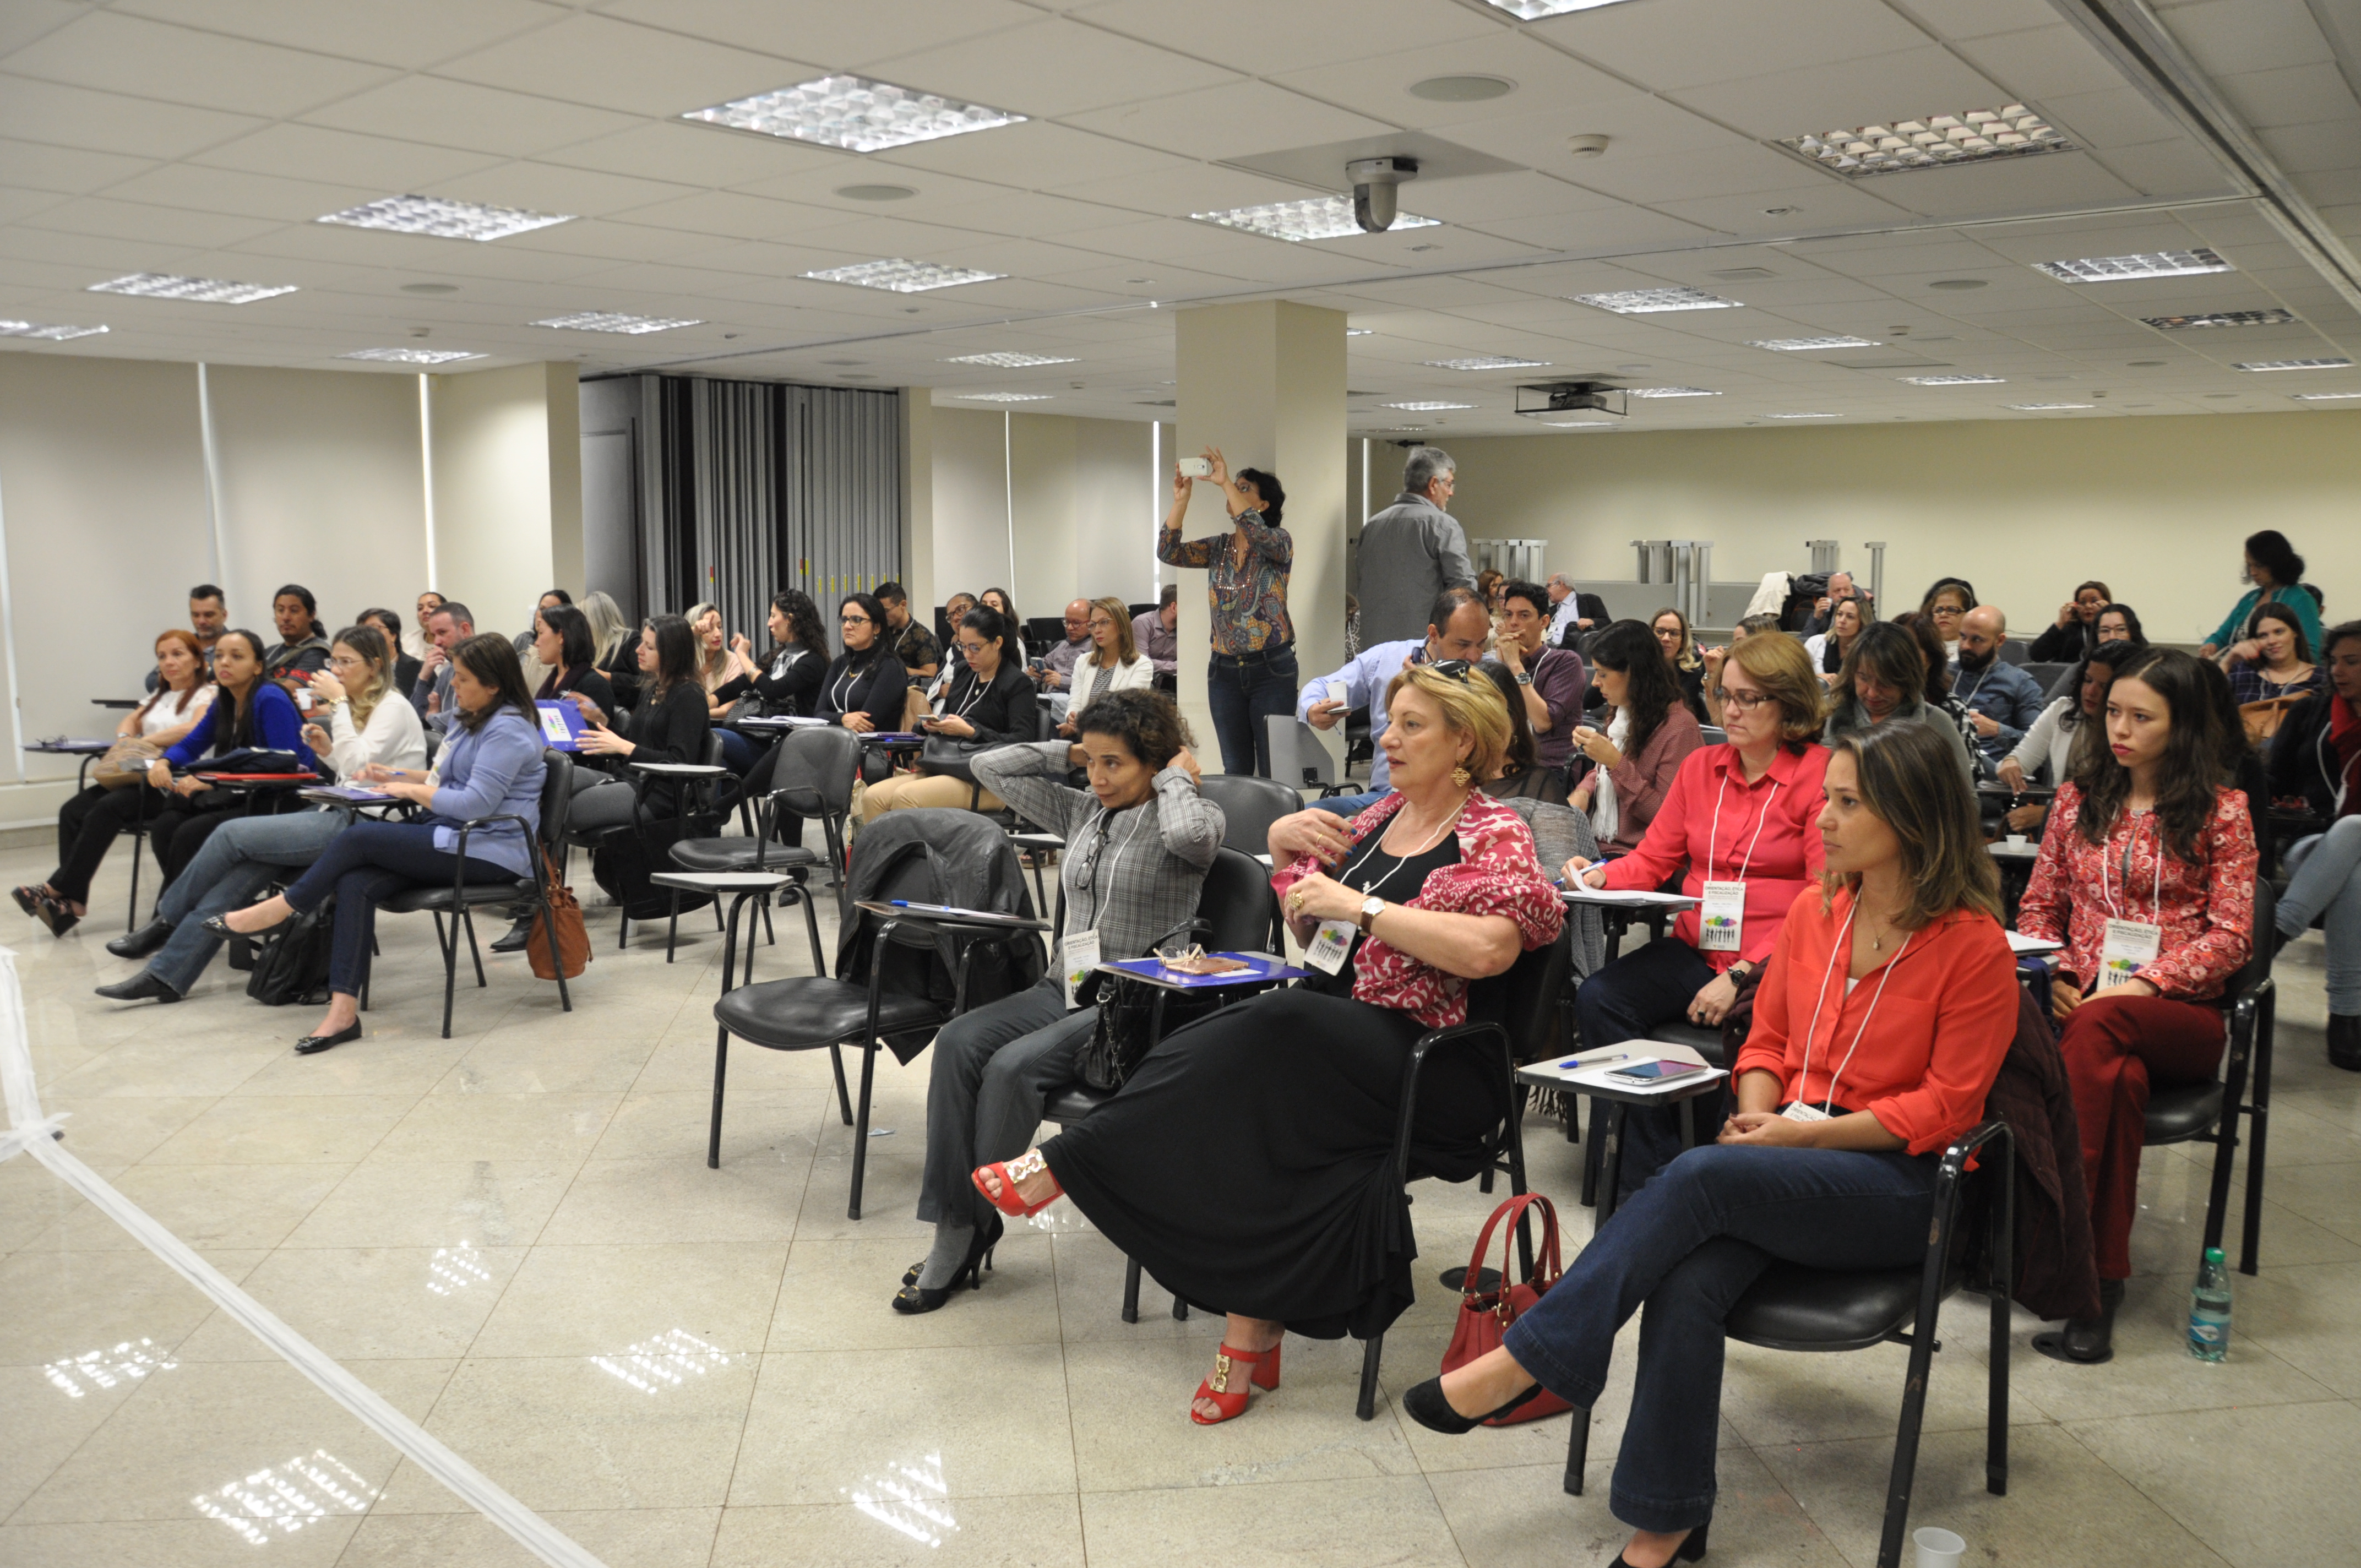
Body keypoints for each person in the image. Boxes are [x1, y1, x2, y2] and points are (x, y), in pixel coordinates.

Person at [1409, 718, 2015, 1568]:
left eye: (1848, 804)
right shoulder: (1816, 912)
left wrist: (1797, 1143)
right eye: (1828, 799)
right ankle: (1667, 1524)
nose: (1825, 819)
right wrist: (1762, 1118)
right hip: (1786, 1162)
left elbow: (1948, 1109)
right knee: (1688, 1278)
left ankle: (1531, 1359)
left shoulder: (1973, 945)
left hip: (1901, 1187)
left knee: (1696, 1178)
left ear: (1914, 817)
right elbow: (1765, 1044)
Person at [970, 663, 1563, 1420]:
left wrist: (1362, 906)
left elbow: (1489, 953)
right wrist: (1286, 855)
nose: (1388, 737)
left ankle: (1070, 1161)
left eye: (1412, 725)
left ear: (1465, 744)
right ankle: (1250, 1334)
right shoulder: (1378, 819)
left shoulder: (1494, 832)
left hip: (1436, 1062)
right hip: (1340, 1044)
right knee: (1252, 1104)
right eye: (1391, 721)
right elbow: (1318, 942)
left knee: (1278, 1023)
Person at [899, 689, 1221, 1312]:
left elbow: (1190, 835)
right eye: (1092, 763)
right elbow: (988, 766)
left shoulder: (1192, 818)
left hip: (1133, 1002)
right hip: (1065, 986)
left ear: (1153, 760)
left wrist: (1177, 777)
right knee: (959, 1040)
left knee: (1012, 1066)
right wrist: (1071, 751)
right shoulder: (1083, 811)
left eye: (1114, 764)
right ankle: (959, 1223)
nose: (1098, 778)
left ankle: (969, 1224)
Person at [2018, 647, 2255, 1363]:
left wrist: (2147, 983)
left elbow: (2234, 934)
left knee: (2104, 1021)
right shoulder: (2077, 800)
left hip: (2181, 1016)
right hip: (2085, 1015)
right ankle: (2097, 1285)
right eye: (2114, 712)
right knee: (2115, 1078)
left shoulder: (2223, 812)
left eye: (2141, 717)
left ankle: (2048, 1243)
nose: (2119, 729)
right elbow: (2038, 906)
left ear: (2181, 726)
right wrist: (2059, 972)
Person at [1563, 631, 1832, 1190]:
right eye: (1724, 694)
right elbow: (1653, 858)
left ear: (1789, 703)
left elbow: (1823, 897)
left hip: (1776, 960)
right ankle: (1657, 1177)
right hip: (1699, 946)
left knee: (1756, 1031)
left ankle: (1712, 1176)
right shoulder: (1702, 767)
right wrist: (1599, 874)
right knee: (1601, 997)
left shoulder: (1821, 775)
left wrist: (1741, 974)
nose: (1730, 710)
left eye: (1749, 698)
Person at [214, 634, 547, 1054]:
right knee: (356, 881)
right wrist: (400, 776)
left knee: (358, 837)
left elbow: (475, 804)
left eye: (462, 679)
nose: (453, 685)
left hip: (491, 852)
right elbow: (446, 779)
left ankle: (283, 907)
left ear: (494, 685)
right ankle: (342, 1014)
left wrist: (413, 792)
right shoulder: (474, 717)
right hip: (454, 837)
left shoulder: (509, 729)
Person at [97, 623, 427, 1003]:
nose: (336, 670)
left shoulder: (392, 707)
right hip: (342, 812)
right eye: (333, 661)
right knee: (241, 873)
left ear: (374, 666)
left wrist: (336, 707)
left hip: (370, 827)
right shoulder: (361, 705)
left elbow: (358, 766)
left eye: (346, 662)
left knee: (230, 834)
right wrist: (327, 750)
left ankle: (167, 920)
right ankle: (166, 975)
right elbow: (357, 770)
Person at [23, 630, 314, 938]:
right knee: (165, 825)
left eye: (237, 657)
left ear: (258, 667)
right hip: (243, 791)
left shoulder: (270, 698)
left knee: (189, 832)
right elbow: (192, 743)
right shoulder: (225, 700)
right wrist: (164, 762)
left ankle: (168, 923)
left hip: (281, 799)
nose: (225, 663)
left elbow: (283, 761)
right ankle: (175, 914)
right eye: (220, 656)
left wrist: (214, 778)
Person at [19, 630, 216, 935]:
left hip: (173, 782)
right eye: (162, 656)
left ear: (198, 660)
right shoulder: (158, 697)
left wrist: (145, 741)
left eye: (178, 654)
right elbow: (129, 722)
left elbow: (194, 728)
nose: (169, 662)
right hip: (138, 775)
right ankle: (73, 900)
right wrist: (126, 739)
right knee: (72, 810)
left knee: (107, 808)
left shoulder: (207, 694)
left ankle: (57, 888)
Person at [1157, 447, 1295, 777]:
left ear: (1264, 505)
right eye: (1235, 485)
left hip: (1271, 670)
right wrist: (1181, 501)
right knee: (1235, 769)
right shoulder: (1219, 547)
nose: (1233, 489)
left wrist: (1224, 483)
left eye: (1244, 488)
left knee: (1275, 768)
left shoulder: (1279, 542)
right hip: (1224, 671)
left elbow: (1257, 533)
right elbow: (1168, 551)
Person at [1301, 587, 1492, 816]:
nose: (1475, 656)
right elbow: (1321, 686)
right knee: (1305, 817)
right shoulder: (1386, 659)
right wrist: (1313, 709)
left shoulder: (1487, 677)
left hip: (1450, 795)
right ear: (1434, 634)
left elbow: (1486, 766)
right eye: (1463, 645)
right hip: (1384, 795)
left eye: (1481, 644)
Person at [2267, 620, 2361, 1069]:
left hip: (2340, 850)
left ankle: (2274, 933)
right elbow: (2273, 780)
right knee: (2353, 845)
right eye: (2334, 661)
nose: (2338, 671)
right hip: (2314, 843)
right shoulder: (2311, 712)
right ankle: (2347, 1017)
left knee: (2355, 844)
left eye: (2352, 662)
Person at [859, 605, 1033, 821]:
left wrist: (971, 732)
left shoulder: (1018, 684)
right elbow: (950, 716)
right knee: (872, 797)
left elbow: (1023, 743)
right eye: (963, 646)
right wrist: (933, 725)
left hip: (989, 781)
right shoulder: (964, 672)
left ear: (997, 643)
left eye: (975, 647)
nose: (967, 654)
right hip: (947, 766)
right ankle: (886, 846)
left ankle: (918, 846)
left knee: (906, 797)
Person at [567, 615, 714, 835]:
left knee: (569, 809)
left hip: (659, 795)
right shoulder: (652, 688)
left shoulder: (688, 696)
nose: (638, 650)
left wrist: (625, 747)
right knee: (556, 777)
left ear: (671, 654)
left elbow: (679, 762)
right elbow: (633, 745)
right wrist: (600, 719)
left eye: (649, 647)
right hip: (631, 779)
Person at [1570, 619, 1704, 854]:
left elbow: (1665, 815)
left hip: (1640, 854)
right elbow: (1600, 773)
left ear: (1634, 674)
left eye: (1603, 674)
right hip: (1599, 844)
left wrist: (1615, 763)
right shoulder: (1622, 711)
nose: (1595, 682)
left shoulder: (1680, 728)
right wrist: (1583, 792)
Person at [1998, 644, 2132, 836]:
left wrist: (2048, 813)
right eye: (2088, 680)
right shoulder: (2062, 710)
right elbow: (2019, 760)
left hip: (2111, 831)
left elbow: (2120, 802)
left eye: (2104, 686)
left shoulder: (2129, 730)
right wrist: (2011, 764)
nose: (2090, 691)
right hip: (2060, 829)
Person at [1824, 621, 1977, 780]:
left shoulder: (1937, 723)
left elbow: (1965, 791)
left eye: (1885, 682)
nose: (1872, 693)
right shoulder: (1824, 712)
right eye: (1864, 678)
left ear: (1907, 679)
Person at [1358, 447, 1474, 645]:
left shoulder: (1371, 526)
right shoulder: (1443, 525)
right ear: (1433, 484)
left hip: (1374, 647)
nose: (1451, 493)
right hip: (1424, 647)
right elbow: (1462, 588)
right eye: (1449, 484)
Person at [1495, 580, 1587, 774]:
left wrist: (1515, 665)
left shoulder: (1565, 662)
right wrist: (1501, 666)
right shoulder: (1502, 663)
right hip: (1507, 766)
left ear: (1544, 622)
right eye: (1508, 615)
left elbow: (1542, 723)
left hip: (1550, 770)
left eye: (1524, 615)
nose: (1513, 623)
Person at [2200, 528, 2325, 664]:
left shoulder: (2301, 600)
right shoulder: (2250, 599)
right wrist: (2211, 645)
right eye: (2250, 566)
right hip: (2241, 673)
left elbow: (2312, 653)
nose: (2253, 572)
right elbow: (2222, 635)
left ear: (2277, 563)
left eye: (2259, 566)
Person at [1951, 606, 2047, 766]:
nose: (1966, 646)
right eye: (1963, 637)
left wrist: (1996, 730)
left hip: (1989, 769)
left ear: (2000, 641)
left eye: (1977, 640)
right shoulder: (1942, 675)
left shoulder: (2020, 683)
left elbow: (2038, 745)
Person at [1057, 597, 1154, 736]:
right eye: (1093, 624)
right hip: (1087, 736)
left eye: (1104, 623)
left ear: (1121, 625)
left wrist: (1085, 722)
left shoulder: (1141, 664)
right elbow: (1075, 702)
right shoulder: (1083, 661)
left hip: (1120, 738)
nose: (1097, 630)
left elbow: (1128, 711)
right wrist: (1072, 719)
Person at [818, 592, 910, 735]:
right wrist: (843, 719)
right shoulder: (840, 664)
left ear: (877, 628)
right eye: (844, 620)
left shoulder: (890, 667)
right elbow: (818, 714)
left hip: (872, 745)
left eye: (856, 620)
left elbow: (867, 723)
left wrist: (834, 719)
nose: (847, 626)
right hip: (834, 739)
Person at [2218, 601, 2326, 707]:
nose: (2272, 641)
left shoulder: (2321, 678)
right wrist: (2227, 662)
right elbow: (2211, 704)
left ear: (2295, 632)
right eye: (2263, 636)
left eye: (2279, 632)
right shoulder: (2241, 672)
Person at [529, 603, 616, 726]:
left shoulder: (595, 685)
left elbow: (596, 735)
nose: (537, 643)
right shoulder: (553, 678)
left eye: (541, 633)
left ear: (561, 636)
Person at [411, 600, 475, 734]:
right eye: (434, 635)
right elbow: (416, 722)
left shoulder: (486, 666)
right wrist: (424, 676)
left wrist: (433, 717)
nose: (437, 642)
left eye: (442, 633)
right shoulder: (447, 672)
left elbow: (466, 717)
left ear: (465, 629)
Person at [580, 589, 640, 713]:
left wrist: (609, 677)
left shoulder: (630, 641)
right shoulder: (587, 648)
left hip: (623, 716)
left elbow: (647, 683)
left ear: (594, 621)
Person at [263, 585, 332, 688]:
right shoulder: (269, 652)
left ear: (312, 616)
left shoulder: (317, 652)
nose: (286, 617)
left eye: (294, 611)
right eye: (281, 610)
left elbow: (289, 691)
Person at [1651, 607, 1710, 722]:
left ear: (1683, 641)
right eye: (1660, 632)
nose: (1666, 638)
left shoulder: (1692, 672)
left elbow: (1675, 716)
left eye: (1674, 633)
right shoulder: (1639, 667)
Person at [875, 581, 941, 684]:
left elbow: (931, 673)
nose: (883, 616)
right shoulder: (882, 630)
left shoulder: (922, 635)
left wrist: (900, 670)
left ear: (903, 605)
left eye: (886, 611)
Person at [2032, 580, 2113, 663]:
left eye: (2094, 601)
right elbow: (2037, 656)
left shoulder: (2115, 630)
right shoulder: (2069, 630)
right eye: (2082, 602)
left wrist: (2109, 618)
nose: (2088, 606)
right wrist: (2060, 624)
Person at [358, 607, 422, 695]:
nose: (367, 635)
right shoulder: (358, 668)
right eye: (363, 631)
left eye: (375, 628)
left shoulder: (417, 668)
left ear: (393, 636)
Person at [1803, 595, 1864, 683]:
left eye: (1850, 617)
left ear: (1862, 623)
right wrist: (1817, 678)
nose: (1842, 621)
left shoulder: (1866, 651)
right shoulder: (1815, 642)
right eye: (1839, 614)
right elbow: (1797, 676)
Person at [1034, 599, 1092, 692]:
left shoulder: (1095, 648)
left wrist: (1063, 681)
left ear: (1091, 623)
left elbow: (1094, 684)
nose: (1069, 628)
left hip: (1074, 697)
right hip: (1051, 697)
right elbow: (1045, 664)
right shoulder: (1062, 646)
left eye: (1076, 623)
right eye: (1067, 622)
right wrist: (1035, 673)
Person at [1919, 576, 1976, 661]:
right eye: (1939, 610)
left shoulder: (1974, 651)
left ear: (1968, 615)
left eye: (1952, 610)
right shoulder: (1921, 651)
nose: (1943, 615)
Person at [1799, 569, 1863, 638]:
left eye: (1846, 590)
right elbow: (1804, 639)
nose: (1843, 595)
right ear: (1829, 594)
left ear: (1853, 592)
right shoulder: (1823, 611)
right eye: (1837, 591)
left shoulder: (1862, 609)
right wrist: (1816, 618)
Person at [1133, 585, 1178, 680]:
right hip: (1142, 681)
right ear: (1174, 607)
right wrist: (1177, 666)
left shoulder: (1184, 629)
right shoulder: (1142, 623)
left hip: (1171, 682)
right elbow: (1142, 662)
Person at [1546, 572, 1602, 646]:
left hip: (1578, 650)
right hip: (1552, 650)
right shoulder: (1551, 611)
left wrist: (1592, 622)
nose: (1547, 591)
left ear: (1561, 585)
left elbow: (1607, 623)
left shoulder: (1589, 600)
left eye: (1548, 586)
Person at [978, 589, 1026, 665]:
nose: (988, 608)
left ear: (1005, 611)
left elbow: (1021, 670)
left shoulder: (1015, 642)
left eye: (994, 605)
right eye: (984, 604)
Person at [410, 591, 446, 663]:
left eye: (432, 606)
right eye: (420, 608)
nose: (425, 611)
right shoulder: (409, 640)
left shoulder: (452, 642)